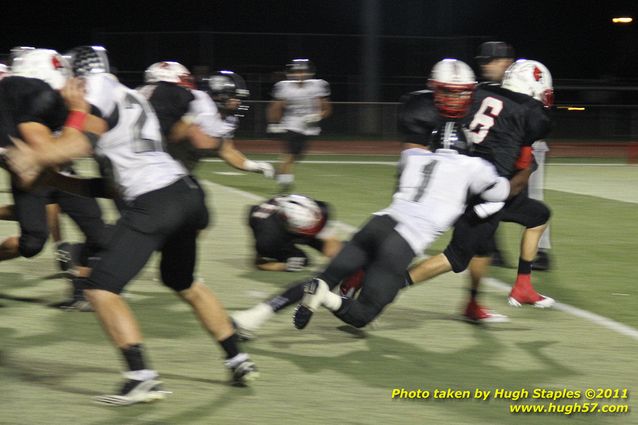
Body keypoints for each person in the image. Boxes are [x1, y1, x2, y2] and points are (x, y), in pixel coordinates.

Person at [6, 46, 258, 405]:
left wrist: (39, 152)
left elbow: (79, 143)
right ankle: (238, 358)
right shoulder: (128, 95)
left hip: (156, 201)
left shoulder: (94, 93)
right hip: (186, 193)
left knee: (100, 287)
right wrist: (56, 181)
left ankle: (141, 377)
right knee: (184, 281)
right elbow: (114, 185)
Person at [291, 59, 512, 330]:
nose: (455, 98)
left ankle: (334, 286)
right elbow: (420, 161)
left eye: (461, 92)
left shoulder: (475, 112)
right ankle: (357, 292)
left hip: (425, 202)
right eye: (448, 91)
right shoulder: (423, 112)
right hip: (427, 209)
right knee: (374, 299)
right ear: (434, 89)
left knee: (471, 251)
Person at [404, 59, 556, 321]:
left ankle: (512, 290)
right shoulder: (529, 112)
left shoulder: (482, 93)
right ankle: (383, 287)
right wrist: (519, 175)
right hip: (485, 191)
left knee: (535, 216)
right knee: (456, 257)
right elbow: (518, 176)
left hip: (461, 175)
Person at [0, 48, 109, 310]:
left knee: (99, 235)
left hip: (57, 174)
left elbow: (90, 122)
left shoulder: (33, 96)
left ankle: (82, 291)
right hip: (35, 174)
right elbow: (45, 149)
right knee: (33, 243)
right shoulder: (25, 92)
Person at [476, 41, 553, 270]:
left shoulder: (525, 77)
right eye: (483, 61)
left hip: (527, 145)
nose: (485, 66)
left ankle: (540, 252)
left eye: (491, 61)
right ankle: (491, 247)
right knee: (489, 192)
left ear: (507, 63)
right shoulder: (490, 86)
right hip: (501, 146)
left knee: (529, 198)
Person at [139, 62, 274, 177]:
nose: (238, 102)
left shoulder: (225, 118)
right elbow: (183, 136)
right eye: (234, 97)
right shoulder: (195, 102)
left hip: (175, 164)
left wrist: (253, 166)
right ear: (219, 95)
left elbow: (225, 149)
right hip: (151, 160)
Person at [267, 58, 331, 192]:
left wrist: (317, 116)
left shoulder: (317, 85)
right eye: (296, 71)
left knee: (298, 154)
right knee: (290, 153)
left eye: (302, 71)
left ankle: (280, 170)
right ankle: (285, 184)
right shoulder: (284, 86)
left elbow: (326, 108)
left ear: (309, 72)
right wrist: (275, 123)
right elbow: (275, 107)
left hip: (308, 126)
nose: (299, 75)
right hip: (291, 124)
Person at [248, 194, 341, 272]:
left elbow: (331, 241)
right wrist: (282, 266)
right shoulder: (269, 238)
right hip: (268, 227)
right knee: (300, 260)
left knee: (340, 251)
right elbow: (261, 264)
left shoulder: (319, 209)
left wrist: (333, 248)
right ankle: (271, 253)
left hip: (284, 220)